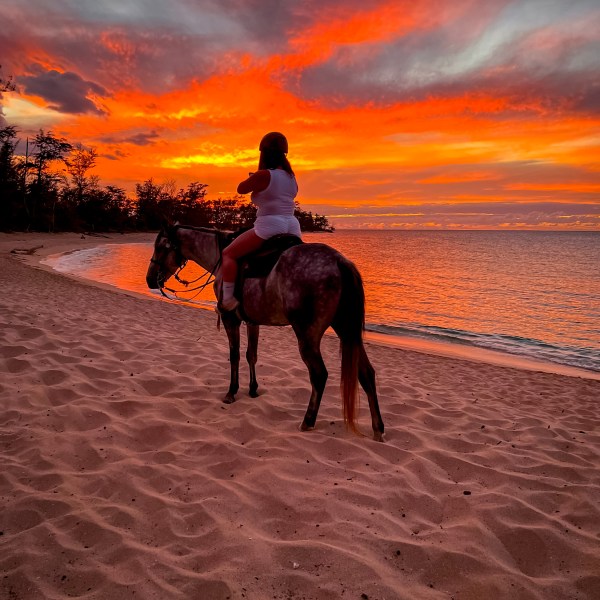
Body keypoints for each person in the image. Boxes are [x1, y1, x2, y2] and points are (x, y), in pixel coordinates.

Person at [220, 131, 302, 312]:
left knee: (228, 254)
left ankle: (227, 300)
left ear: (264, 153)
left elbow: (240, 189)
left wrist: (254, 176)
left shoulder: (263, 175)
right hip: (292, 225)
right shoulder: (292, 177)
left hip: (270, 225)